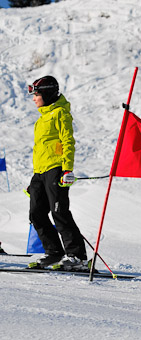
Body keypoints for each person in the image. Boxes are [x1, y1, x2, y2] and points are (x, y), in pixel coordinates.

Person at [27, 76, 87, 271]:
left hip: (56, 170)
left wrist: (67, 169)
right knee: (36, 213)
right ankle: (53, 252)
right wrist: (36, 178)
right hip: (41, 172)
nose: (34, 98)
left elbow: (68, 141)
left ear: (47, 94)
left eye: (37, 94)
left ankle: (77, 256)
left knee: (59, 212)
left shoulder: (60, 113)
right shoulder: (43, 117)